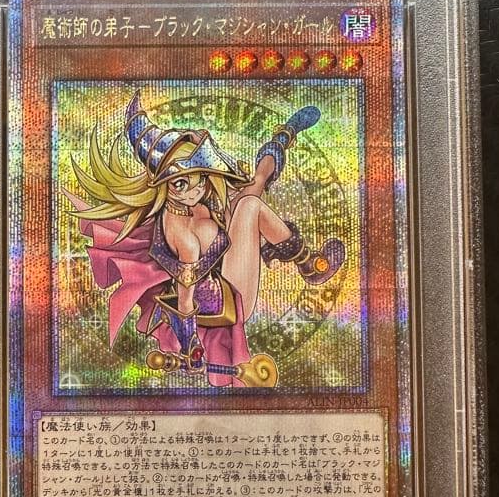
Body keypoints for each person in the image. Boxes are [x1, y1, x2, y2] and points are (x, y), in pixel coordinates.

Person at [62, 91, 345, 387]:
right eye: (181, 183)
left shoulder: (195, 199)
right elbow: (185, 300)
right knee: (250, 206)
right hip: (230, 298)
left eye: (199, 176)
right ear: (164, 184)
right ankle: (310, 263)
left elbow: (225, 191)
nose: (195, 188)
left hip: (225, 263)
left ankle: (283, 135)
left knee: (254, 185)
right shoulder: (182, 235)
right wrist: (190, 346)